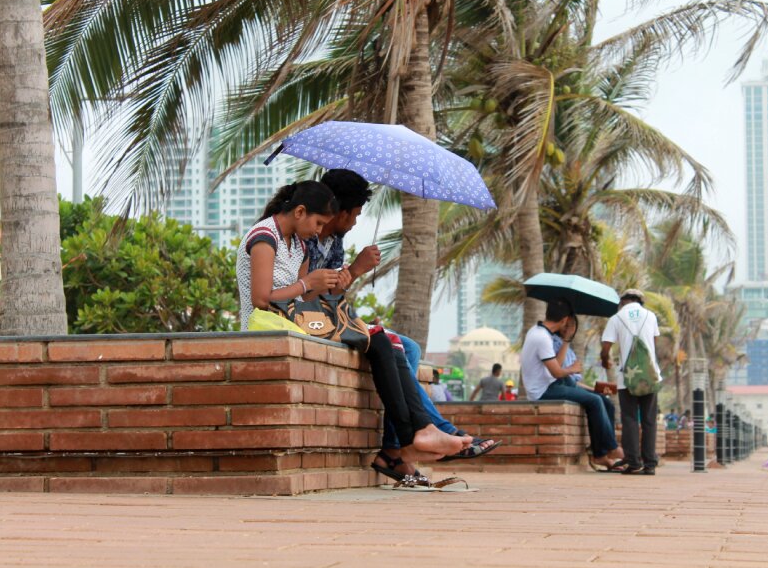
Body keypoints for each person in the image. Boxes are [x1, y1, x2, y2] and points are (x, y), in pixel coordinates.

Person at [237, 180, 470, 468]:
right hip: (268, 327)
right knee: (383, 343)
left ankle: (417, 434)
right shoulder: (264, 237)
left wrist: (322, 284)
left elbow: (304, 297)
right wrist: (307, 282)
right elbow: (262, 299)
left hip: (300, 323)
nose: (319, 231)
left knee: (387, 343)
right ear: (299, 212)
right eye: (319, 222)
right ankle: (416, 436)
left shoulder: (298, 245)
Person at [305, 169, 498, 479]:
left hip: (333, 317)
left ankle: (396, 450)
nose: (355, 221)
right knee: (393, 344)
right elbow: (308, 292)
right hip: (316, 323)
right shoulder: (308, 240)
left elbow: (332, 291)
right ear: (338, 211)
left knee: (407, 346)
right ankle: (422, 437)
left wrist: (350, 277)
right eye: (354, 214)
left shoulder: (335, 240)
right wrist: (355, 270)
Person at [521, 297, 622, 471]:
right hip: (543, 390)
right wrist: (573, 368)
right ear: (565, 319)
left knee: (604, 401)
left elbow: (557, 367)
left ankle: (601, 454)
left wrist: (567, 341)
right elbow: (558, 372)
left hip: (554, 383)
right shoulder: (541, 337)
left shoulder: (540, 333)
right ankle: (611, 448)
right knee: (595, 401)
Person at [601, 289, 661, 476]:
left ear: (623, 302)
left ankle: (634, 463)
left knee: (630, 420)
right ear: (640, 302)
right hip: (650, 375)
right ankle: (650, 464)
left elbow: (606, 347)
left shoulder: (616, 318)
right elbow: (654, 342)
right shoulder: (650, 316)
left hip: (626, 378)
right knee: (649, 420)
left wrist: (605, 361)